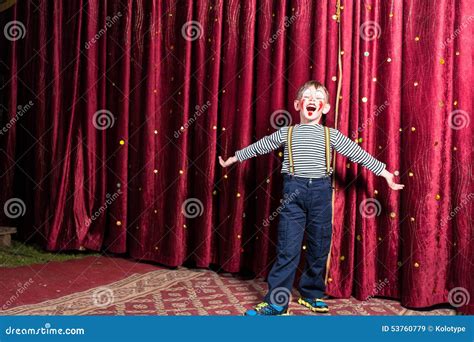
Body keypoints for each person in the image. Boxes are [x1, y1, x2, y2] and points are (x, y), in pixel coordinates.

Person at [219, 80, 404, 315]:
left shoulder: (332, 135)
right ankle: (277, 303)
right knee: (287, 248)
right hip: (292, 193)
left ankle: (310, 294)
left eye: (318, 97)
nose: (313, 99)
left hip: (321, 193)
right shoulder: (286, 133)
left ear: (325, 107)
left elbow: (358, 154)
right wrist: (233, 158)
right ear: (298, 104)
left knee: (319, 246)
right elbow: (260, 146)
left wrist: (384, 172)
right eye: (307, 96)